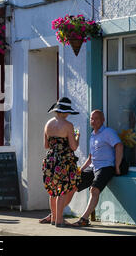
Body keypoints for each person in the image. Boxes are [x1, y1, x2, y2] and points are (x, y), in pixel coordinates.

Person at [71, 110, 123, 227]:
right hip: (93, 166)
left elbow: (119, 145)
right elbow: (90, 157)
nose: (93, 121)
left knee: (94, 190)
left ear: (103, 120)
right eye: (91, 119)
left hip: (106, 167)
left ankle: (84, 219)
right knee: (73, 184)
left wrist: (117, 166)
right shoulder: (93, 135)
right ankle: (56, 214)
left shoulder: (108, 132)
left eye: (96, 119)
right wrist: (80, 170)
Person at [41, 97, 81, 227]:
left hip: (50, 159)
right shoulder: (68, 125)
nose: (69, 114)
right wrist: (77, 138)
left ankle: (53, 219)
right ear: (64, 112)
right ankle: (59, 220)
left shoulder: (48, 124)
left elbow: (46, 145)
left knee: (52, 190)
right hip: (64, 160)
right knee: (62, 190)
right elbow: (73, 147)